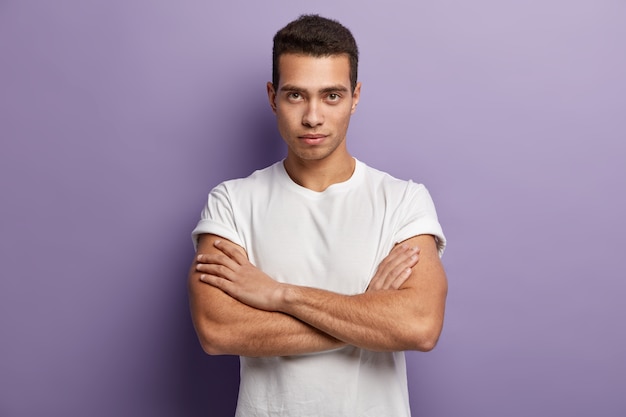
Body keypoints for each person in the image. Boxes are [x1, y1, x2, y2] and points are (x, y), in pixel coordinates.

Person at [188, 14, 448, 417]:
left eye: (331, 96)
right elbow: (218, 330)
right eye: (296, 95)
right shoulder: (232, 203)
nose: (312, 116)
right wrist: (367, 313)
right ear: (273, 96)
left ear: (355, 96)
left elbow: (419, 326)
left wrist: (280, 295)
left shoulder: (403, 201)